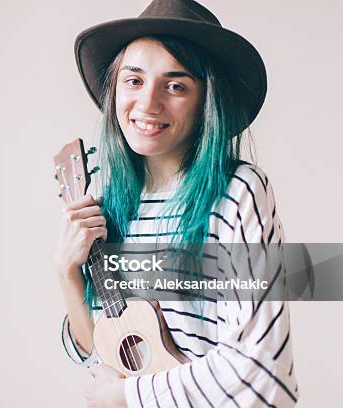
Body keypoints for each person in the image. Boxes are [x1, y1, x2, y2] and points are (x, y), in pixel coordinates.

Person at [53, 0, 299, 406]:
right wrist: (66, 272)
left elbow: (264, 368)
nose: (148, 105)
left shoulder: (238, 191)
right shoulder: (112, 208)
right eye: (134, 81)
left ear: (207, 102)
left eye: (175, 85)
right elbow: (104, 357)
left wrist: (132, 394)